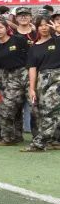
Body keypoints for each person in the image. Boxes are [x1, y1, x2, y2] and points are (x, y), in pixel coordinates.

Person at [25, 16, 60, 153]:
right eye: (41, 25)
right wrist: (32, 88)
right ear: (37, 28)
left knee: (51, 110)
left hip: (57, 78)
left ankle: (40, 143)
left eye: (47, 25)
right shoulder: (34, 47)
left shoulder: (57, 40)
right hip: (42, 80)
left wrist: (58, 31)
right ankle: (53, 140)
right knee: (42, 111)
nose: (44, 28)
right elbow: (32, 69)